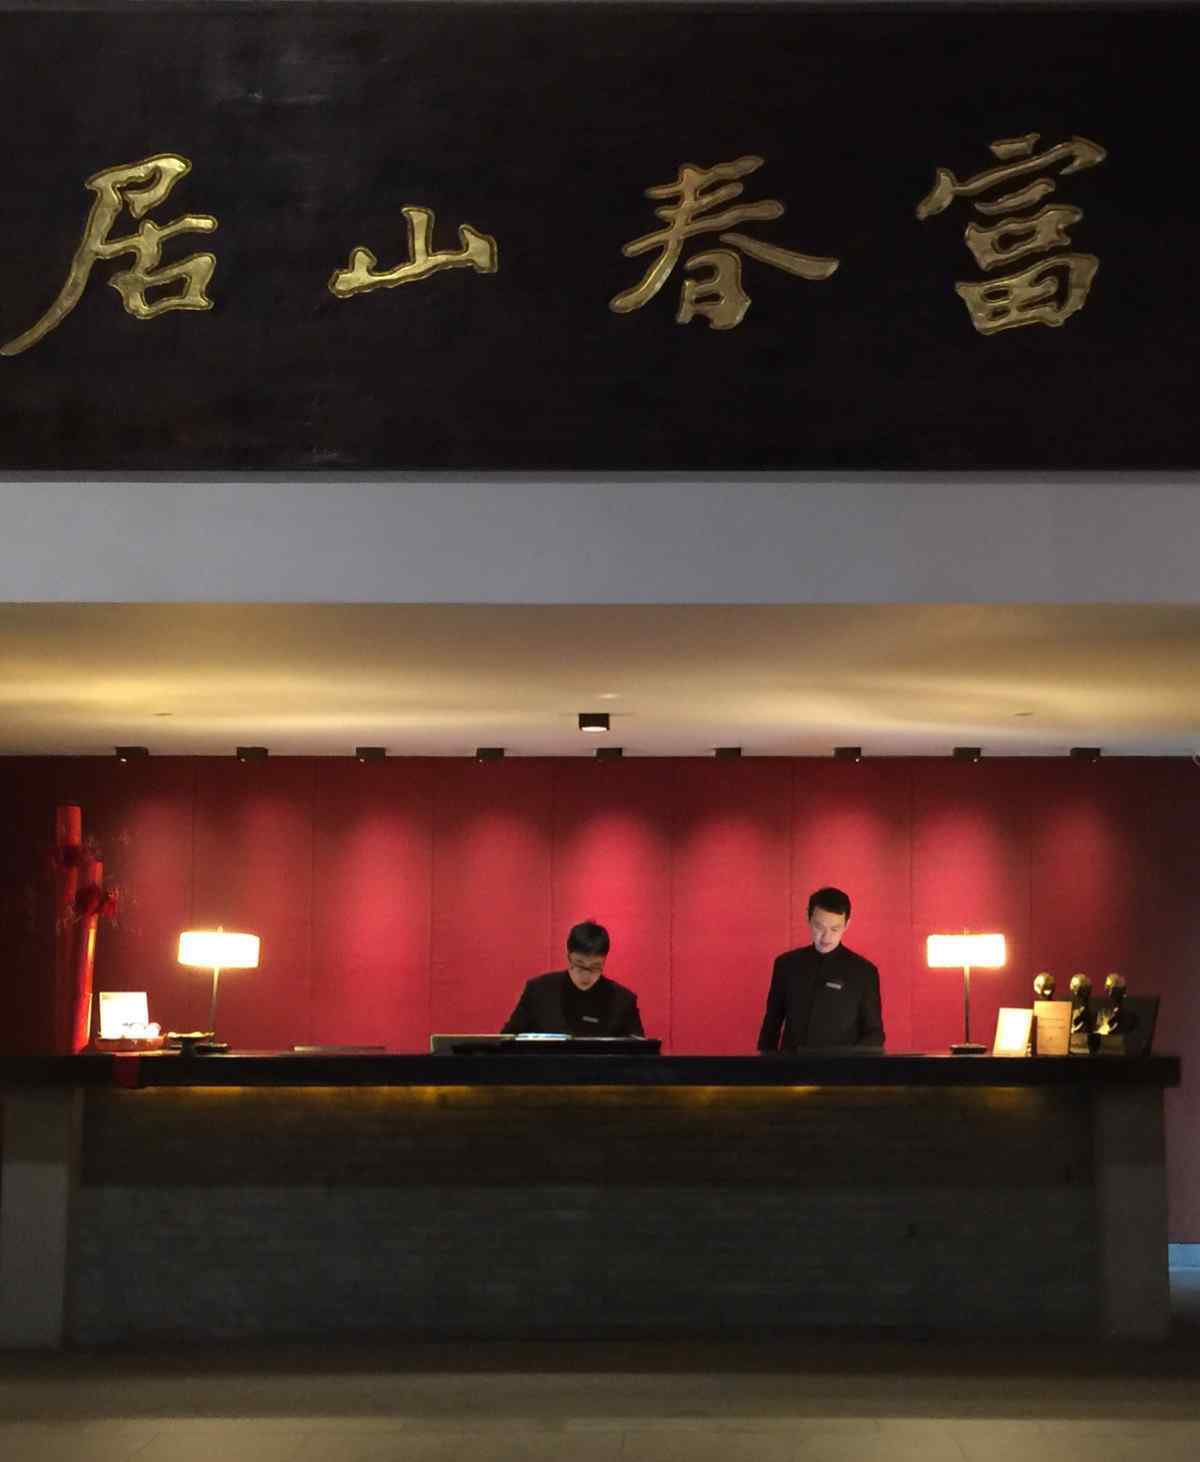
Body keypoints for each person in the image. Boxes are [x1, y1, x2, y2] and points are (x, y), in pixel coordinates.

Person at [757, 887, 884, 1050]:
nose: (826, 937)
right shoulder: (786, 965)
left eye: (834, 929)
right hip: (792, 1064)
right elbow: (771, 1025)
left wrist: (850, 1061)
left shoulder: (864, 972)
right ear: (809, 918)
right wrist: (766, 1063)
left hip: (843, 1065)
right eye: (819, 927)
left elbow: (874, 1033)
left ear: (847, 924)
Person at [502, 920, 644, 1037]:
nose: (586, 977)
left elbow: (640, 1055)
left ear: (604, 960)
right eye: (579, 965)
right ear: (568, 956)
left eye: (595, 967)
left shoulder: (622, 1001)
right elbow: (506, 1043)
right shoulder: (538, 992)